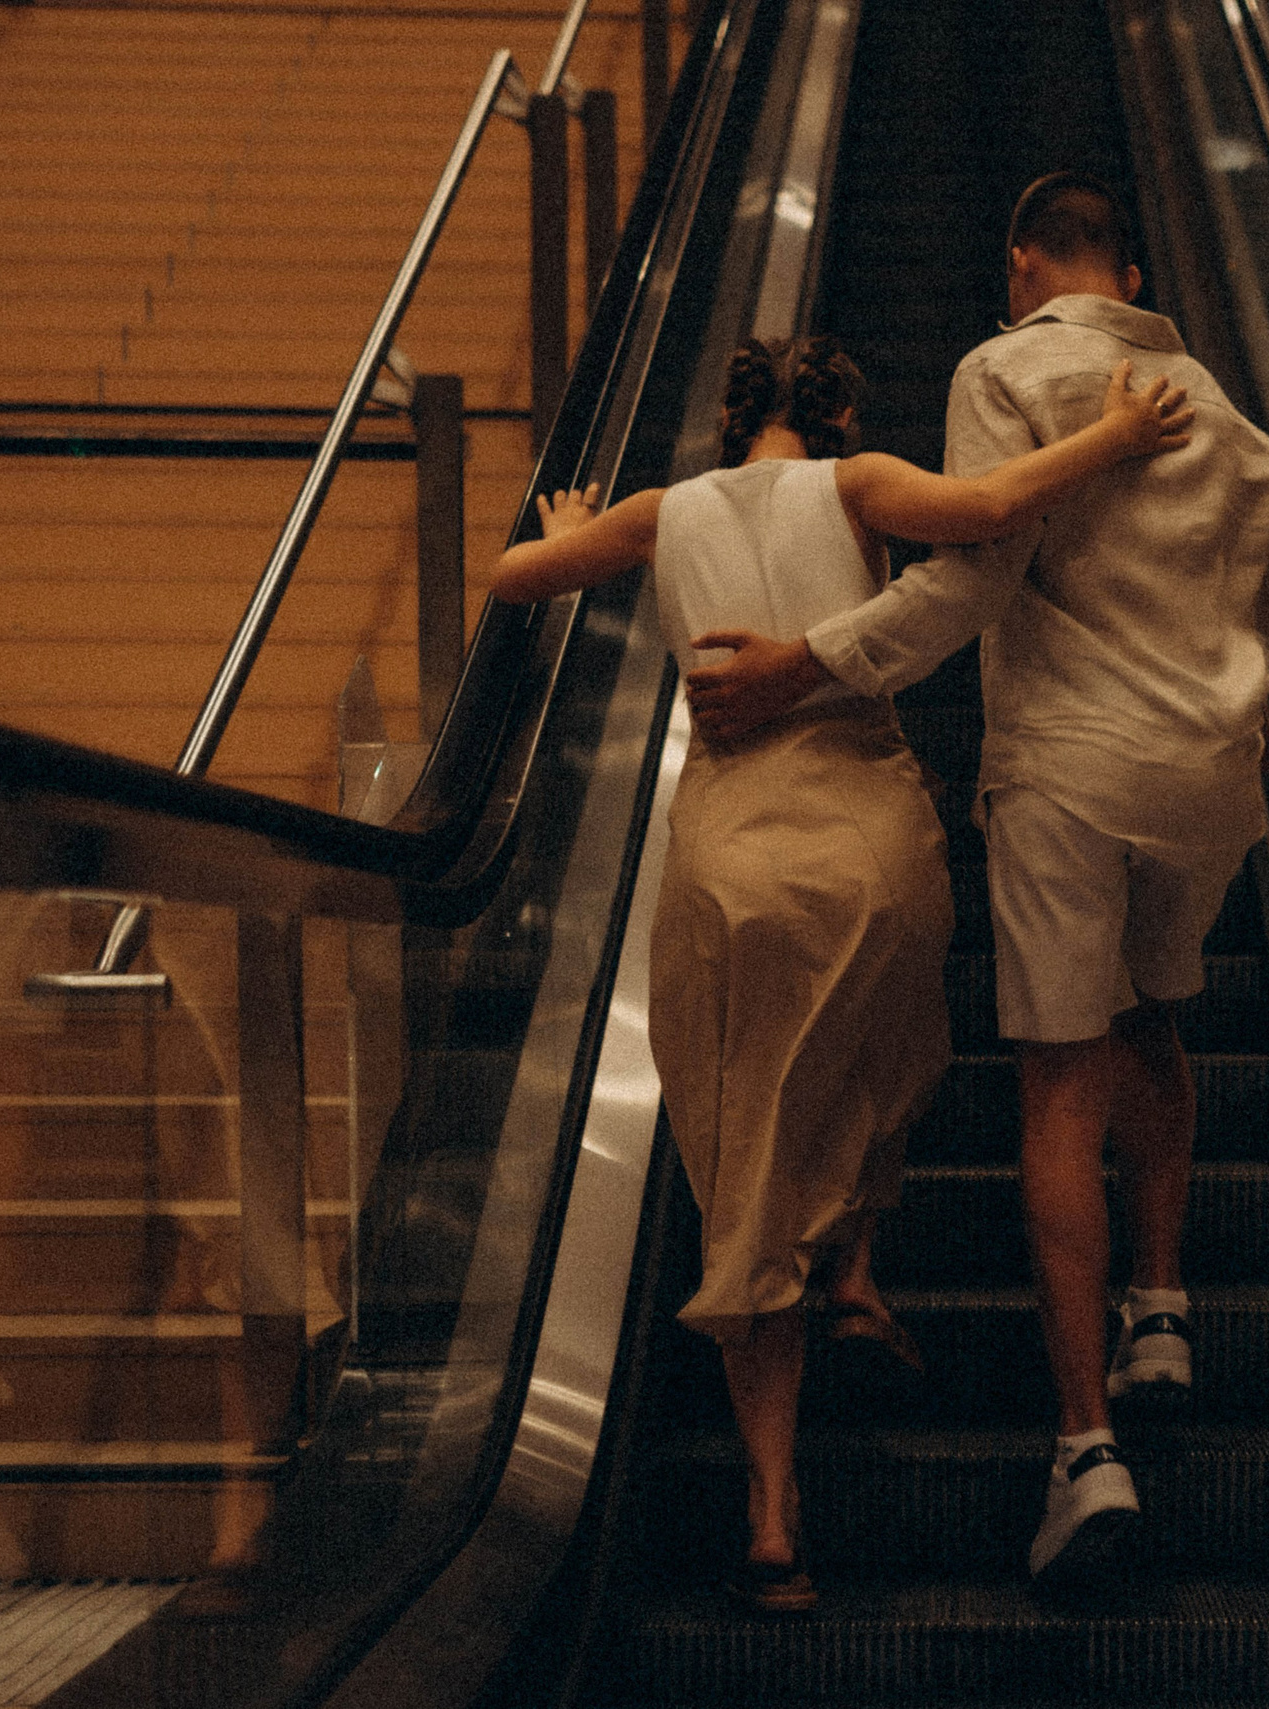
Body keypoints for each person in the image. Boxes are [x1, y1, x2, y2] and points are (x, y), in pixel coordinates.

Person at [677, 172, 1269, 1595]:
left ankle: (1084, 1448)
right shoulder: (1222, 413)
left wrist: (808, 662)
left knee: (1060, 1077)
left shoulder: (1006, 368)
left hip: (1068, 770)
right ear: (1138, 266)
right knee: (1160, 1016)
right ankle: (1160, 1303)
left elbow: (977, 578)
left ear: (1025, 258)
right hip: (1205, 777)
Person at [490, 332, 1192, 1613]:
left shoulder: (664, 510)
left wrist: (573, 524)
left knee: (747, 1149)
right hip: (864, 836)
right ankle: (859, 1267)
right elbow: (985, 509)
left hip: (727, 856)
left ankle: (771, 1512)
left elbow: (511, 578)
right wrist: (1115, 436)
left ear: (725, 416)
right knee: (886, 1049)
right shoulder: (858, 482)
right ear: (838, 409)